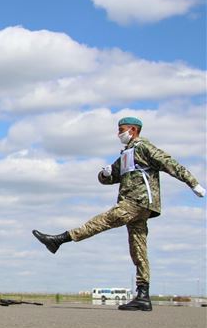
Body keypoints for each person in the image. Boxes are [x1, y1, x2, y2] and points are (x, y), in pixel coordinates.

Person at [32, 117, 205, 311]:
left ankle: (60, 239)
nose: (118, 134)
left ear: (133, 130)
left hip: (137, 201)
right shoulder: (126, 154)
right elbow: (110, 177)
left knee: (103, 221)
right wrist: (104, 174)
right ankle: (143, 295)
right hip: (137, 206)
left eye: (121, 129)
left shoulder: (144, 147)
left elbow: (171, 164)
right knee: (138, 248)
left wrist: (193, 183)